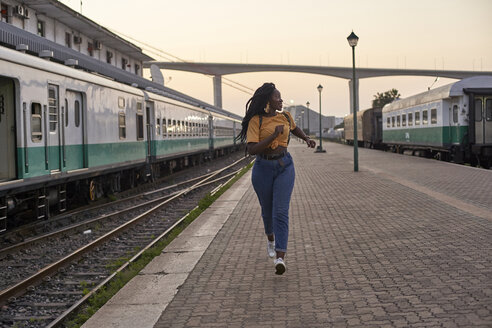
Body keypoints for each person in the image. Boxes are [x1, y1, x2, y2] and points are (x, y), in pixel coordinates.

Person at [236, 82, 316, 275]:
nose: (281, 100)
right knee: (267, 210)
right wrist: (273, 136)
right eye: (277, 97)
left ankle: (280, 257)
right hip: (263, 168)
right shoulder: (257, 121)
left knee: (281, 211)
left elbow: (294, 128)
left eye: (281, 97)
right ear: (267, 101)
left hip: (284, 167)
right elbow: (252, 149)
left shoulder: (286, 116)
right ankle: (270, 239)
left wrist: (306, 138)